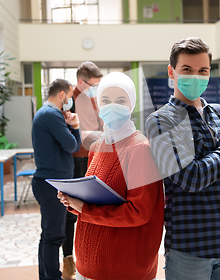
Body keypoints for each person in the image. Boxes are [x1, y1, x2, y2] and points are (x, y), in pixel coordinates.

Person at [146, 37, 220, 280]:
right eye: (187, 70)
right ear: (172, 72)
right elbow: (191, 178)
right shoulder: (161, 121)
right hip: (191, 249)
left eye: (203, 71)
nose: (195, 76)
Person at [58, 71, 164, 280]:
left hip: (122, 270)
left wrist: (84, 209)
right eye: (106, 100)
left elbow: (139, 212)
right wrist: (72, 200)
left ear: (131, 105)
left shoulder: (140, 149)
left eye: (120, 100)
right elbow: (93, 197)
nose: (112, 105)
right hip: (87, 267)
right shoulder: (97, 147)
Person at [32, 79, 81, 280]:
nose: (69, 100)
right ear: (62, 95)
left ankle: (46, 276)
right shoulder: (51, 114)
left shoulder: (46, 113)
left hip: (49, 181)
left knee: (49, 235)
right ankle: (51, 277)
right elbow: (72, 145)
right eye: (69, 96)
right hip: (51, 183)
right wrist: (75, 126)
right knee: (54, 237)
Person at [62, 62, 103, 280]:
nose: (95, 89)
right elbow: (66, 133)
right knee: (71, 213)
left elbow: (101, 125)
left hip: (94, 158)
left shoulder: (94, 100)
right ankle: (68, 260)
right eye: (92, 85)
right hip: (74, 162)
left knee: (92, 209)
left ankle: (90, 256)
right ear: (80, 82)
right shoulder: (67, 101)